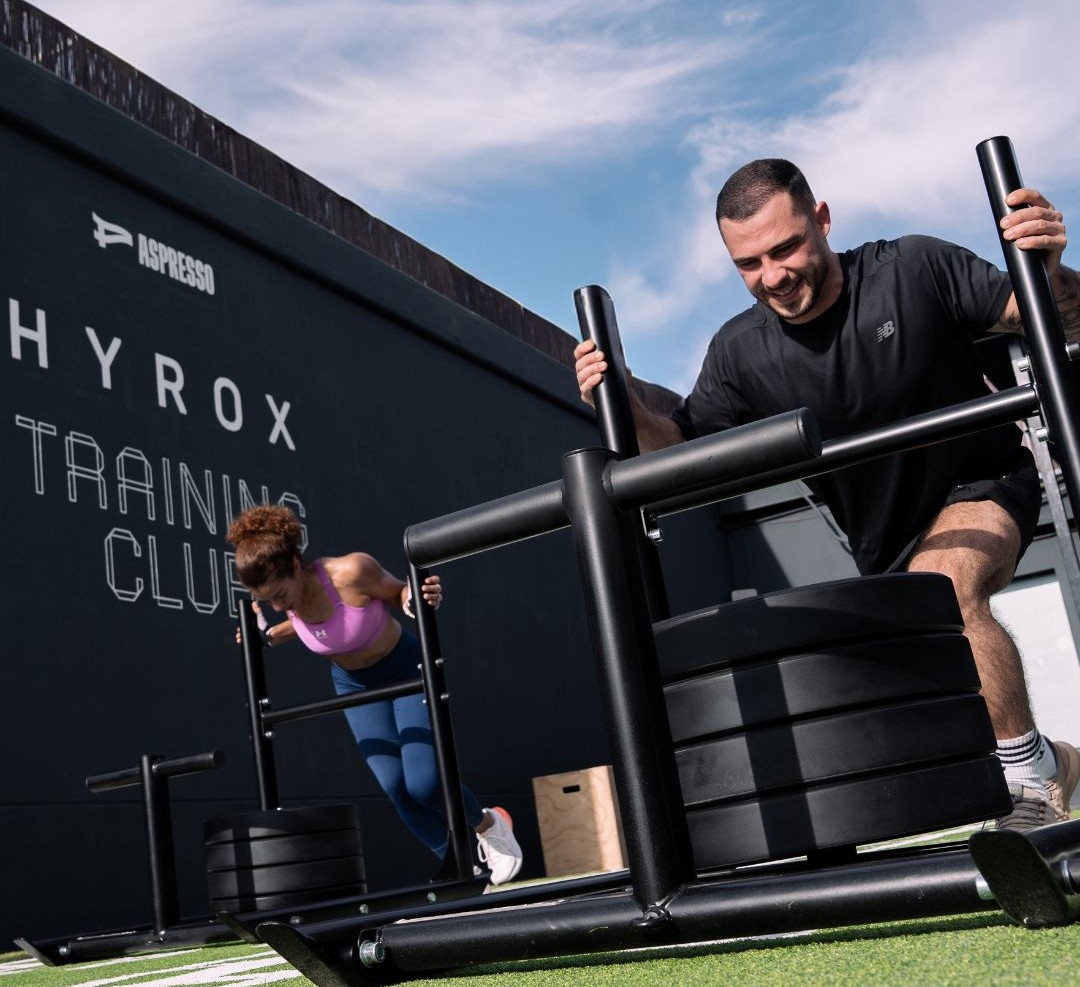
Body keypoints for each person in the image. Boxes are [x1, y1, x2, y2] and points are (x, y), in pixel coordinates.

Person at [574, 158, 1080, 832]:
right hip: (880, 538)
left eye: (786, 248)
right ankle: (1058, 759)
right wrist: (625, 402)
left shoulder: (912, 267)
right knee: (929, 710)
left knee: (947, 586)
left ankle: (1030, 783)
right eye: (750, 264)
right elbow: (676, 453)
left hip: (984, 480)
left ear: (822, 220)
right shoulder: (740, 353)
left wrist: (1045, 268)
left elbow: (1042, 316)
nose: (774, 276)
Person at [226, 504, 523, 884]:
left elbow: (398, 592)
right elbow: (300, 625)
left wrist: (414, 599)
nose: (279, 606)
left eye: (281, 594)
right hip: (353, 684)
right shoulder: (291, 603)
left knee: (424, 783)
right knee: (397, 789)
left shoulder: (350, 572)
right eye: (268, 601)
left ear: (296, 565)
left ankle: (489, 825)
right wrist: (265, 635)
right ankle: (460, 870)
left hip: (404, 669)